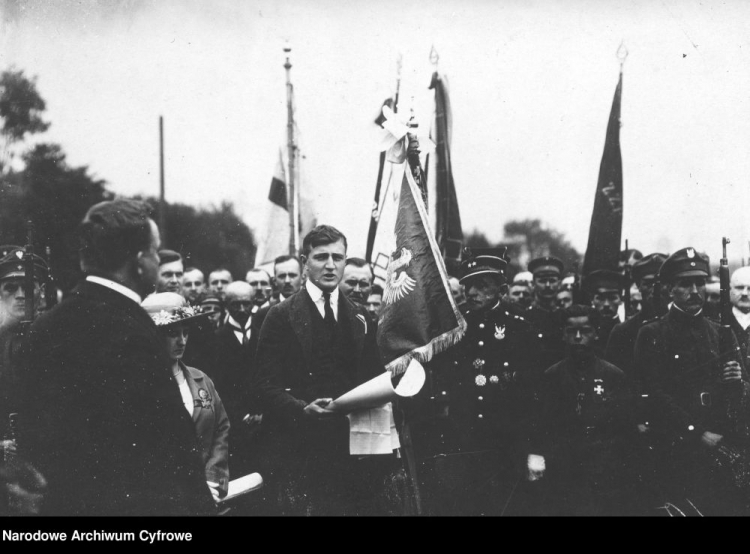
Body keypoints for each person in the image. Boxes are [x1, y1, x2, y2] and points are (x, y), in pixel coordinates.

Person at [19, 199, 215, 516]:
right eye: (154, 252)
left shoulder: (46, 326)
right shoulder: (133, 333)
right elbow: (170, 449)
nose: (156, 261)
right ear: (139, 262)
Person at [254, 225, 393, 516]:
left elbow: (372, 378)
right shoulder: (279, 316)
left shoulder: (360, 316)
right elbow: (265, 384)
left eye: (338, 257)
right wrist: (301, 409)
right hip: (299, 449)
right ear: (305, 263)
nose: (331, 265)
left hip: (353, 449)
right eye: (321, 257)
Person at [410, 252, 542, 516]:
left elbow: (531, 394)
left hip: (505, 438)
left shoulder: (520, 327)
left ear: (502, 290)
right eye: (469, 285)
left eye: (482, 286)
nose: (472, 292)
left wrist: (533, 448)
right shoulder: (452, 326)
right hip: (463, 437)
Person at [634, 247, 750, 515]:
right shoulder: (652, 333)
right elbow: (653, 392)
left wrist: (738, 380)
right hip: (676, 448)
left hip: (722, 448)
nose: (695, 291)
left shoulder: (720, 331)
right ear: (669, 289)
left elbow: (743, 391)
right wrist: (696, 432)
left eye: (699, 282)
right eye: (685, 284)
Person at [534, 305, 632, 516]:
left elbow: (624, 427)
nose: (578, 337)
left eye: (586, 330)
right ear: (563, 335)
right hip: (564, 469)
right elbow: (545, 426)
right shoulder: (552, 376)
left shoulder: (613, 375)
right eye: (571, 331)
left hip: (605, 470)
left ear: (596, 333)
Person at [142, 292, 230, 501]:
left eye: (186, 332)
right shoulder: (141, 385)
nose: (181, 341)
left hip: (209, 492)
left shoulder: (201, 379)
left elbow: (221, 428)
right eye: (173, 333)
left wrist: (212, 477)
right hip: (164, 497)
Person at [0, 248, 48, 463]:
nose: (20, 295)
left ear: (42, 291)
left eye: (28, 287)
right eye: (10, 288)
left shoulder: (58, 337)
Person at [525, 256, 566, 370]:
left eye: (552, 280)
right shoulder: (525, 316)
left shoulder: (566, 316)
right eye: (542, 281)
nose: (548, 285)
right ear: (533, 283)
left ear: (559, 283)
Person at [584, 269, 626, 357]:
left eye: (612, 298)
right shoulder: (584, 333)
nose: (606, 304)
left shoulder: (626, 331)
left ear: (621, 300)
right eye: (600, 298)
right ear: (592, 300)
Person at [728, 266, 750, 368]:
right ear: (730, 289)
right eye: (739, 287)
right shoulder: (716, 321)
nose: (745, 293)